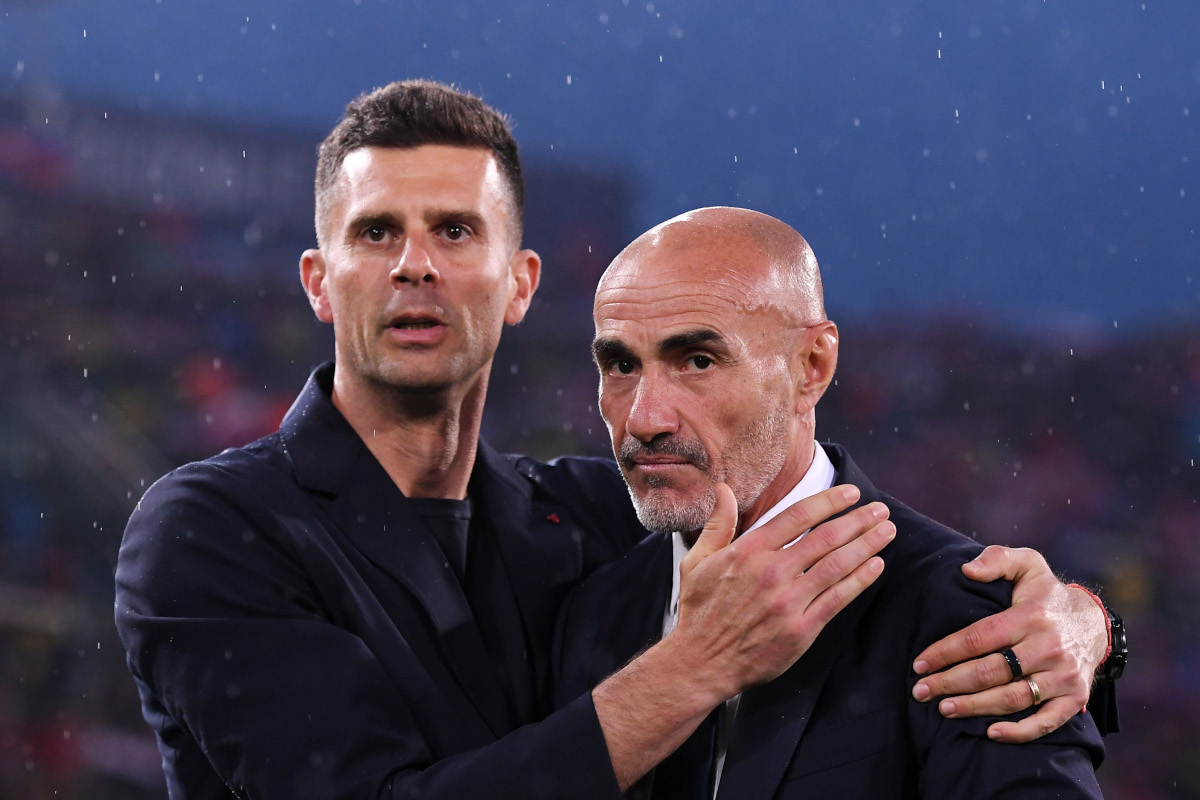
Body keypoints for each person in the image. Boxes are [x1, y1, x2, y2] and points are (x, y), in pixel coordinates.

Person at [113, 81, 1115, 799]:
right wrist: (696, 664)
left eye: (457, 231)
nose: (416, 264)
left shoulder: (602, 518)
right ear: (317, 281)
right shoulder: (209, 528)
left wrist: (1077, 626)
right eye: (377, 231)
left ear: (521, 284)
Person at [554, 207, 1107, 798]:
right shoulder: (589, 614)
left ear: (811, 368)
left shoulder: (970, 616)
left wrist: (1096, 622)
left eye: (697, 361)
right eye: (620, 365)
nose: (644, 418)